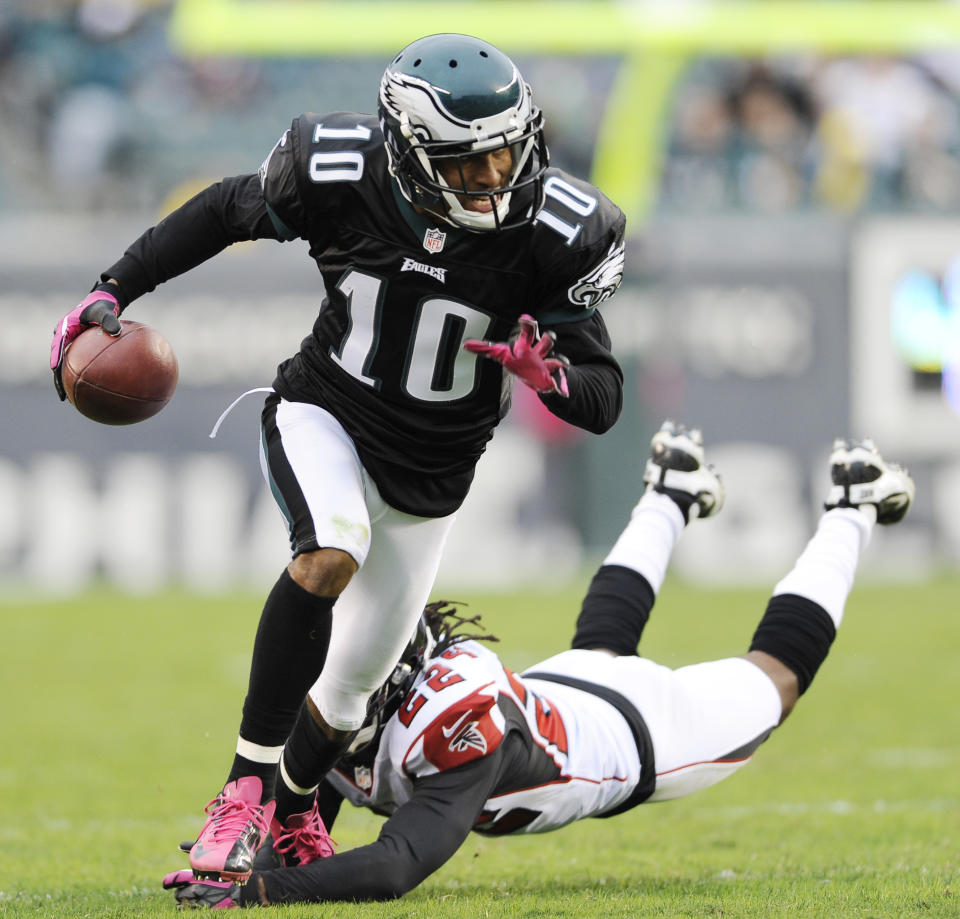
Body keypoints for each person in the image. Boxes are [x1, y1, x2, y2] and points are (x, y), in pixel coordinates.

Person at [48, 33, 625, 882]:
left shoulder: (557, 232)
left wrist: (554, 380)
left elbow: (604, 394)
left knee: (352, 695)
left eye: (508, 154)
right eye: (470, 165)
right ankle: (242, 790)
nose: (497, 179)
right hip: (327, 412)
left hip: (433, 476)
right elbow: (223, 210)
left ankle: (290, 814)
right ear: (412, 155)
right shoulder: (341, 169)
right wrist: (113, 287)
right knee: (331, 550)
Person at [162, 419, 915, 907]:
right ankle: (670, 492)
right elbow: (303, 822)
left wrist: (260, 893)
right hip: (564, 691)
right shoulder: (362, 704)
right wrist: (232, 866)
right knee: (602, 643)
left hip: (638, 737)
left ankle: (851, 507)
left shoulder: (454, 724)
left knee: (773, 680)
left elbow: (394, 866)